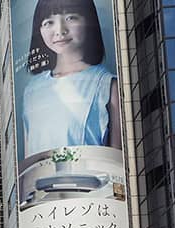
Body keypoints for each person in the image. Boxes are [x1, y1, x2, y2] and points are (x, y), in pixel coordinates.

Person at [21, 0, 122, 158]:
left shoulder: (107, 85)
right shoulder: (31, 91)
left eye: (71, 18)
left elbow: (117, 160)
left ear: (88, 21)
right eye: (49, 22)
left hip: (92, 180)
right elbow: (29, 159)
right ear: (39, 29)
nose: (60, 31)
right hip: (41, 181)